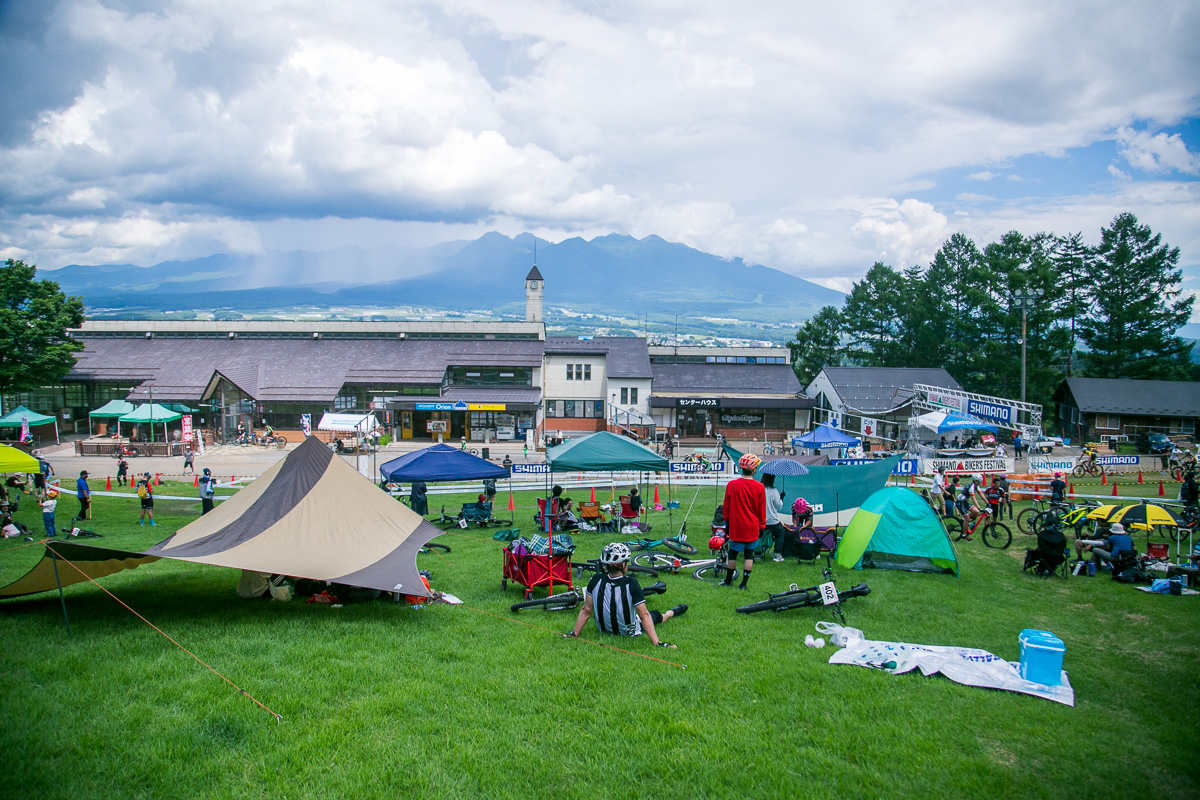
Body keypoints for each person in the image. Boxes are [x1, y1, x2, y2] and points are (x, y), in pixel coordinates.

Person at [564, 542, 686, 648]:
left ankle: (670, 613)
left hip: (604, 630)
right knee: (656, 616)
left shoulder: (596, 580)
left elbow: (586, 610)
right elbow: (644, 615)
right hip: (629, 632)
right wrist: (657, 643)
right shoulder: (631, 583)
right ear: (622, 565)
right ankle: (671, 613)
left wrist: (574, 634)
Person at [720, 453, 766, 589]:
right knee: (749, 555)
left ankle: (728, 581)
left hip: (736, 526)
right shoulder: (759, 487)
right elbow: (761, 509)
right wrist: (762, 525)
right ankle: (744, 584)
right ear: (753, 470)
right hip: (752, 526)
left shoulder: (732, 485)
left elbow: (726, 507)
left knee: (733, 554)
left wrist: (726, 523)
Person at [761, 472, 786, 562]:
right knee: (781, 532)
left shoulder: (759, 489)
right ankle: (777, 554)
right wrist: (781, 497)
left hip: (760, 521)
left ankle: (757, 553)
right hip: (772, 521)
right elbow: (778, 506)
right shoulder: (773, 490)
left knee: (759, 535)